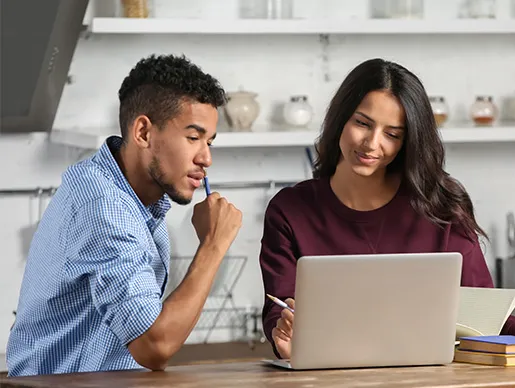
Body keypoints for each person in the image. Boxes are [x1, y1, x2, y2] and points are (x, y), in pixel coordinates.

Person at [259, 58, 515, 360]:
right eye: (362, 123)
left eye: (392, 134)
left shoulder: (441, 208)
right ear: (340, 118)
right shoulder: (289, 210)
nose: (371, 143)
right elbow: (280, 311)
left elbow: (489, 323)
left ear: (408, 142)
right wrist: (285, 334)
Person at [7, 54, 242, 376]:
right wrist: (214, 244)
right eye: (193, 137)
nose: (206, 158)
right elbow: (153, 345)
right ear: (143, 132)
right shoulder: (104, 207)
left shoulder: (134, 199)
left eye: (209, 142)